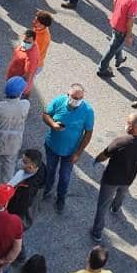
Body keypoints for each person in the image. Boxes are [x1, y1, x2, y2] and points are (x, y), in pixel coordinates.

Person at [91, 113, 137, 242]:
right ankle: (116, 208)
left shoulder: (120, 141)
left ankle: (97, 232)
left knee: (102, 206)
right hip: (128, 178)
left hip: (111, 179)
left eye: (127, 122)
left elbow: (105, 154)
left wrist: (97, 160)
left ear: (130, 126)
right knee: (122, 193)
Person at [42, 83, 95, 213]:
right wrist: (53, 124)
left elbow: (88, 133)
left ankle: (61, 198)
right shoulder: (58, 101)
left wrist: (78, 153)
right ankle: (47, 189)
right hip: (52, 147)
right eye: (74, 97)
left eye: (80, 98)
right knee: (50, 170)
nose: (76, 101)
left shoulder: (88, 111)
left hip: (70, 152)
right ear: (68, 95)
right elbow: (45, 114)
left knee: (65, 177)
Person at [97, 0, 137, 78]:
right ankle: (102, 69)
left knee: (117, 43)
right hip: (122, 27)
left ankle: (119, 59)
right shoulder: (134, 1)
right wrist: (129, 35)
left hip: (115, 20)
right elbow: (130, 21)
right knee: (113, 47)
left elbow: (115, 1)